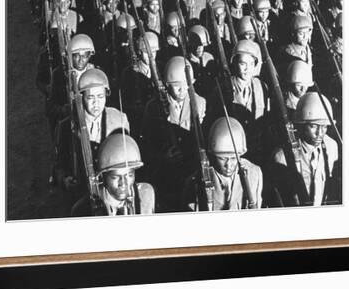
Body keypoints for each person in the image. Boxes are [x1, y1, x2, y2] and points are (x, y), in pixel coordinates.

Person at [140, 56, 207, 212]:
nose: (182, 90)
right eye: (177, 86)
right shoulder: (154, 107)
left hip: (192, 167)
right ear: (166, 85)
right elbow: (146, 143)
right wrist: (163, 157)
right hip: (165, 172)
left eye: (186, 85)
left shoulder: (200, 103)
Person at [270, 92, 340, 206]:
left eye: (324, 126)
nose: (320, 133)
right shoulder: (282, 156)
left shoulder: (331, 147)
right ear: (301, 125)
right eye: (313, 126)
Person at [183, 117, 263, 211]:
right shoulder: (197, 180)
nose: (228, 165)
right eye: (222, 158)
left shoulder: (254, 174)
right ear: (213, 155)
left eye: (233, 158)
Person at [71, 133, 155, 216]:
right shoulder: (83, 208)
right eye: (115, 177)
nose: (123, 183)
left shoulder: (145, 195)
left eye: (129, 175)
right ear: (103, 176)